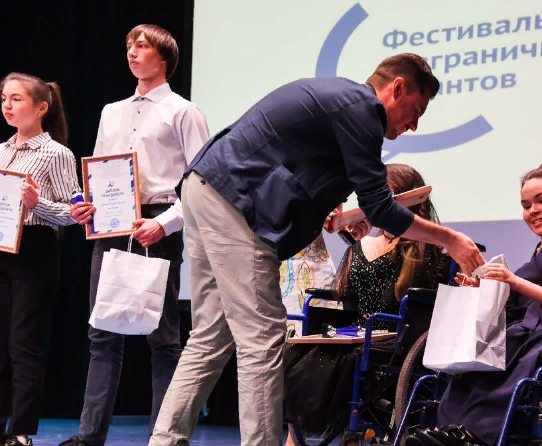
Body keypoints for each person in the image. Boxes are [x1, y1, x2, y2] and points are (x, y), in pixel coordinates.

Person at [148, 53, 484, 446]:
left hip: (205, 187)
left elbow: (298, 165)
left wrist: (332, 209)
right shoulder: (364, 109)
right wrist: (450, 238)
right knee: (263, 337)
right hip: (235, 202)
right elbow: (381, 207)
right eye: (416, 111)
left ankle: (164, 441)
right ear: (398, 88)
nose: (414, 125)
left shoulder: (342, 101)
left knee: (211, 335)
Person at [60, 24, 210, 446]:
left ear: (163, 57)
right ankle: (89, 435)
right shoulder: (112, 111)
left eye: (141, 46)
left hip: (158, 223)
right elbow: (99, 167)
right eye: (129, 45)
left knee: (163, 338)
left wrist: (166, 223)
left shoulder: (183, 111)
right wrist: (84, 203)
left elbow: (202, 180)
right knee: (102, 331)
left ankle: (164, 436)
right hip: (112, 220)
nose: (132, 52)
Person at [406, 158, 542, 446]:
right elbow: (512, 307)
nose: (532, 211)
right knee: (475, 360)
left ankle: (475, 435)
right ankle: (447, 431)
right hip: (524, 330)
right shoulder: (538, 255)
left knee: (513, 355)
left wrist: (514, 281)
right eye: (526, 205)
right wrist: (480, 288)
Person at [283, 163, 451, 445]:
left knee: (338, 361)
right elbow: (347, 295)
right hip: (357, 333)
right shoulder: (360, 246)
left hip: (396, 340)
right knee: (301, 351)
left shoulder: (422, 247)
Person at [0, 72, 80, 446]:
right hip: (3, 247)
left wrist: (37, 203)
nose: (7, 105)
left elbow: (74, 212)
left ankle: (20, 431)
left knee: (23, 343)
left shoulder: (56, 154)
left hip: (34, 249)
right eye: (4, 98)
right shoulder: (2, 150)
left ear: (41, 107)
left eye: (16, 99)